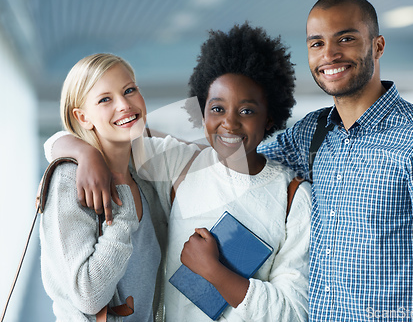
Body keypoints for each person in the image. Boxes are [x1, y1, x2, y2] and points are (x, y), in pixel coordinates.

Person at [44, 24, 311, 321]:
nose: (229, 124)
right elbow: (104, 136)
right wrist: (84, 151)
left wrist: (215, 273)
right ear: (203, 112)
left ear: (270, 116)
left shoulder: (293, 198)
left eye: (246, 111)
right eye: (217, 109)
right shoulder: (181, 164)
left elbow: (294, 312)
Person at [257, 0, 413, 322]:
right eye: (316, 43)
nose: (329, 54)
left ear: (378, 46)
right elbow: (243, 163)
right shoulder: (312, 132)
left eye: (345, 39)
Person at [40, 53, 197, 321]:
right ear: (82, 116)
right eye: (105, 99)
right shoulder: (69, 179)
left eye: (129, 90)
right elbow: (88, 297)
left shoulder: (144, 169)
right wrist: (122, 213)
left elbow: (220, 155)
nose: (124, 104)